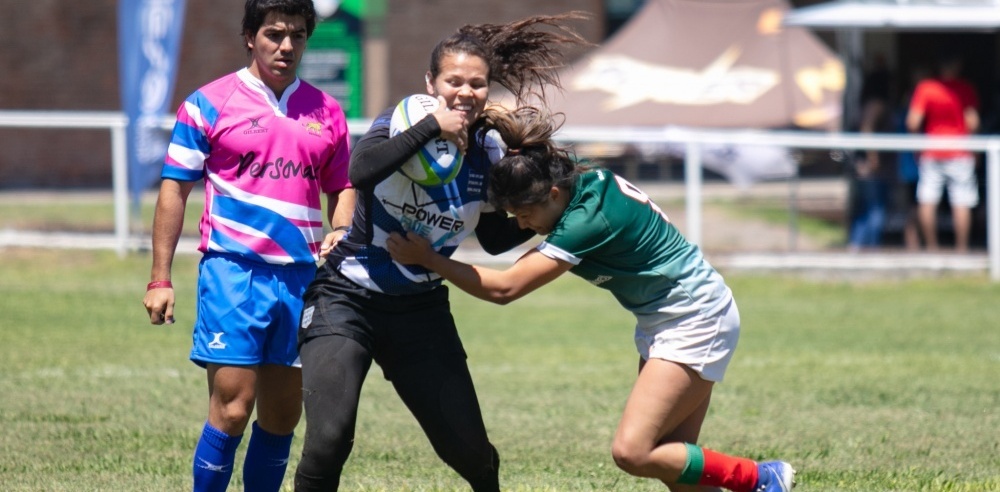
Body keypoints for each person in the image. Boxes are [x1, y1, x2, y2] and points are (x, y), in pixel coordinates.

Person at [386, 106, 797, 492]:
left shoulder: (586, 221)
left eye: (524, 214)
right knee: (674, 467)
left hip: (694, 317)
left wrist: (428, 257)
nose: (522, 225)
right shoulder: (577, 181)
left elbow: (505, 288)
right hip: (672, 316)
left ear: (551, 194)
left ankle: (760, 476)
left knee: (633, 451)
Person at [293, 13, 589, 492]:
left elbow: (494, 238)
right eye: (454, 81)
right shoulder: (403, 120)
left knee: (469, 451)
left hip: (420, 310)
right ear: (431, 82)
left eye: (477, 83)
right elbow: (361, 170)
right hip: (346, 298)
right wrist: (431, 126)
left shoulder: (487, 151)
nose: (465, 92)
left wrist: (557, 212)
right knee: (329, 439)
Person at [142, 1, 356, 490]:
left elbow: (342, 186)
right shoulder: (207, 104)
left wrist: (339, 229)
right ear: (249, 36)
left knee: (282, 417)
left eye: (298, 36)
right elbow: (175, 189)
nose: (286, 47)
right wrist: (160, 278)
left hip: (302, 280)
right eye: (274, 34)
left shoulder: (327, 111)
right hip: (233, 273)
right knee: (234, 408)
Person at [906, 51, 980, 252]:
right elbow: (972, 122)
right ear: (957, 65)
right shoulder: (965, 89)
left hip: (931, 151)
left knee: (927, 199)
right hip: (960, 151)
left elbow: (912, 121)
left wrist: (917, 144)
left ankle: (932, 247)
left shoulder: (926, 88)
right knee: (961, 201)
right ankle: (962, 248)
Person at [849, 54, 895, 251]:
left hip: (866, 164)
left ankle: (857, 246)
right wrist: (873, 158)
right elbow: (867, 128)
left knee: (867, 208)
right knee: (874, 209)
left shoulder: (866, 102)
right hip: (872, 167)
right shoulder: (876, 103)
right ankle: (868, 249)